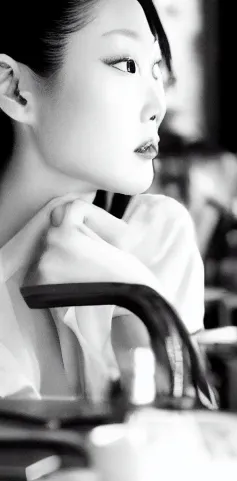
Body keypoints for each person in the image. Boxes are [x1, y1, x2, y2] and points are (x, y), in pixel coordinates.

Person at [0, 0, 207, 402]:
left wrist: (139, 302)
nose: (157, 106)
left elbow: (191, 443)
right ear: (14, 88)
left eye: (156, 70)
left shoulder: (156, 237)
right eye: (125, 65)